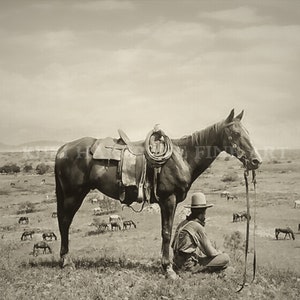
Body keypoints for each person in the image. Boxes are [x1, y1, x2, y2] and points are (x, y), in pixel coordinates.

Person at [172, 192, 230, 273]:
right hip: (188, 265)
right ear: (202, 213)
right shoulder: (196, 226)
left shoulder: (183, 223)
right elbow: (210, 252)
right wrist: (219, 253)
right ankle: (199, 271)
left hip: (176, 263)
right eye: (204, 213)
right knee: (225, 258)